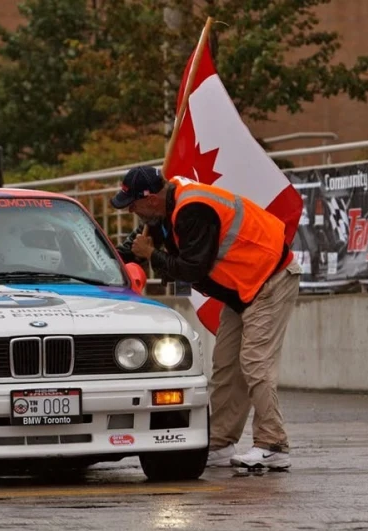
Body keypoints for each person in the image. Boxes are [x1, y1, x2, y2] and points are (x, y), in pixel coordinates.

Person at [110, 166, 301, 470]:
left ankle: (273, 444)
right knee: (226, 364)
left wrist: (152, 255)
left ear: (151, 199)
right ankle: (222, 443)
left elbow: (192, 269)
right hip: (243, 289)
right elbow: (129, 252)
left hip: (270, 279)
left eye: (133, 205)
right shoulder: (160, 217)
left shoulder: (192, 209)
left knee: (254, 362)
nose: (132, 211)